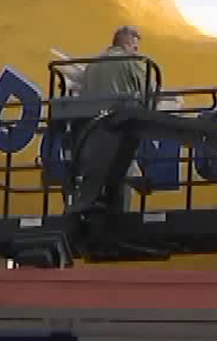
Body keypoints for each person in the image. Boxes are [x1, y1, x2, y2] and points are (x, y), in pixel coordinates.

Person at [63, 25, 152, 215]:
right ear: (127, 43)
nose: (136, 52)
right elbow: (148, 93)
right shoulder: (130, 62)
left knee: (94, 181)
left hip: (90, 140)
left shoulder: (92, 65)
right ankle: (119, 218)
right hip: (118, 136)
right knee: (123, 176)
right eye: (135, 47)